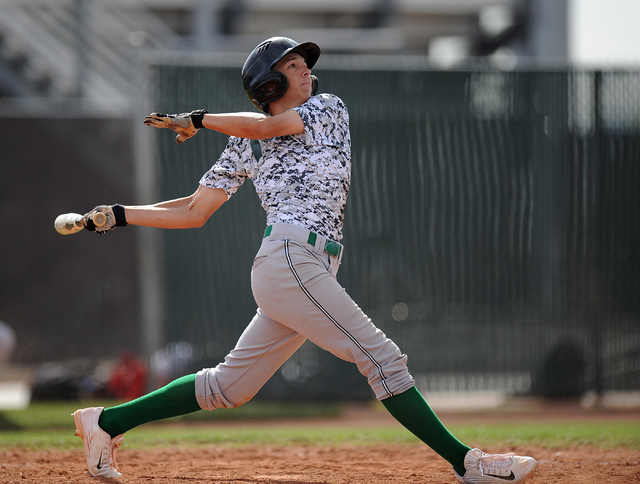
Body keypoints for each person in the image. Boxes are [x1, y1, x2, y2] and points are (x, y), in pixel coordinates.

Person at [72, 37, 537, 483]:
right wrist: (118, 215)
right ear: (268, 86)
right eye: (293, 66)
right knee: (383, 360)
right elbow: (196, 210)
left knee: (229, 387)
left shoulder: (327, 109)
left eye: (303, 63)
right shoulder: (243, 139)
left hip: (305, 265)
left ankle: (106, 422)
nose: (306, 70)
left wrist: (199, 118)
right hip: (290, 258)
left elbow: (267, 126)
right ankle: (468, 463)